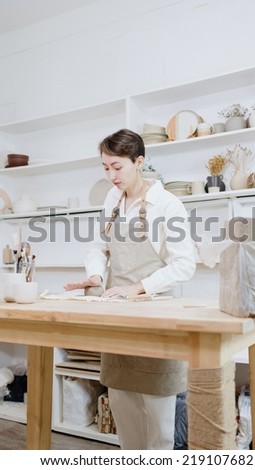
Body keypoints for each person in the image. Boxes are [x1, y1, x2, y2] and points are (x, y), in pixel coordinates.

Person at [64, 128, 196, 450]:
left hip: (156, 317)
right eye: (105, 168)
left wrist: (138, 286)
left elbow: (185, 264)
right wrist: (96, 276)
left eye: (117, 167)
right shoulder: (112, 199)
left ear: (139, 161)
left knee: (159, 426)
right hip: (118, 316)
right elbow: (99, 247)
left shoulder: (167, 204)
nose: (111, 176)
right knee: (124, 414)